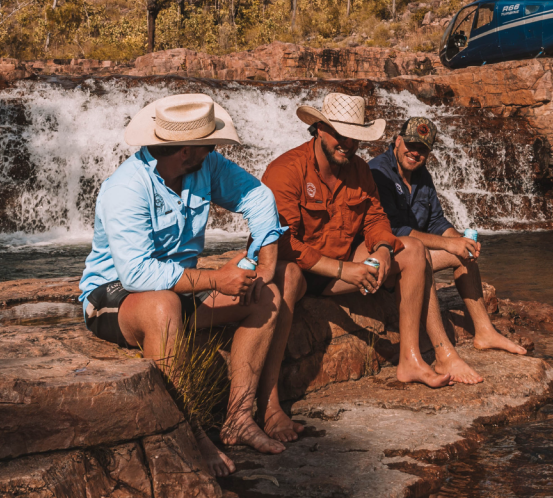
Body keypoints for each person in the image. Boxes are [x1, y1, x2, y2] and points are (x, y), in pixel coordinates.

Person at [78, 93, 301, 478]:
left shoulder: (205, 166)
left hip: (179, 292)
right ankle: (190, 431)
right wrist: (218, 278)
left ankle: (239, 418)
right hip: (114, 297)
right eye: (208, 144)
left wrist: (264, 266)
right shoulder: (125, 188)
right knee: (162, 304)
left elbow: (258, 197)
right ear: (185, 152)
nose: (214, 150)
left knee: (266, 296)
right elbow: (136, 275)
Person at [261, 93, 467, 388]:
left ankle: (410, 360)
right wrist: (343, 270)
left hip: (344, 266)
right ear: (319, 129)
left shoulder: (360, 170)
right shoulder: (286, 170)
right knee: (289, 273)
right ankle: (268, 396)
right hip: (304, 271)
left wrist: (384, 250)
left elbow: (375, 219)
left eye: (354, 137)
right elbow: (282, 243)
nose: (347, 143)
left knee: (412, 250)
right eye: (339, 135)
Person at [369, 117, 526, 385]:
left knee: (463, 252)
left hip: (414, 251)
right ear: (397, 141)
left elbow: (437, 222)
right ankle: (443, 353)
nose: (415, 152)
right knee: (422, 257)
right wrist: (446, 243)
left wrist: (460, 241)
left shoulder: (422, 175)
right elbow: (392, 229)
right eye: (410, 144)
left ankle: (484, 332)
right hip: (387, 257)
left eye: (423, 149)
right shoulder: (378, 172)